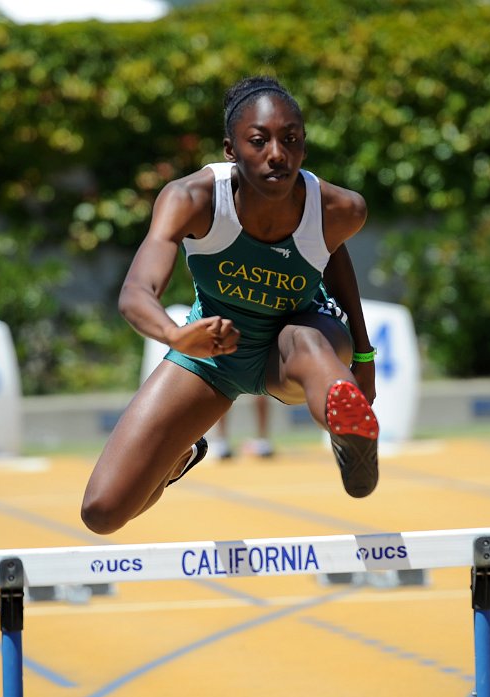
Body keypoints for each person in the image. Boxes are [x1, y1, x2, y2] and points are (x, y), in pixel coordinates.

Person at [81, 76, 379, 535]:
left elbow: (336, 261)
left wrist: (363, 357)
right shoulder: (192, 198)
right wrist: (176, 335)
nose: (277, 153)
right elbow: (136, 292)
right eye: (259, 141)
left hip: (295, 344)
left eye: (291, 140)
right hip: (212, 351)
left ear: (303, 147)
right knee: (102, 513)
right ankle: (185, 452)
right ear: (230, 150)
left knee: (305, 341)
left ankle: (348, 432)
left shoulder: (341, 209)